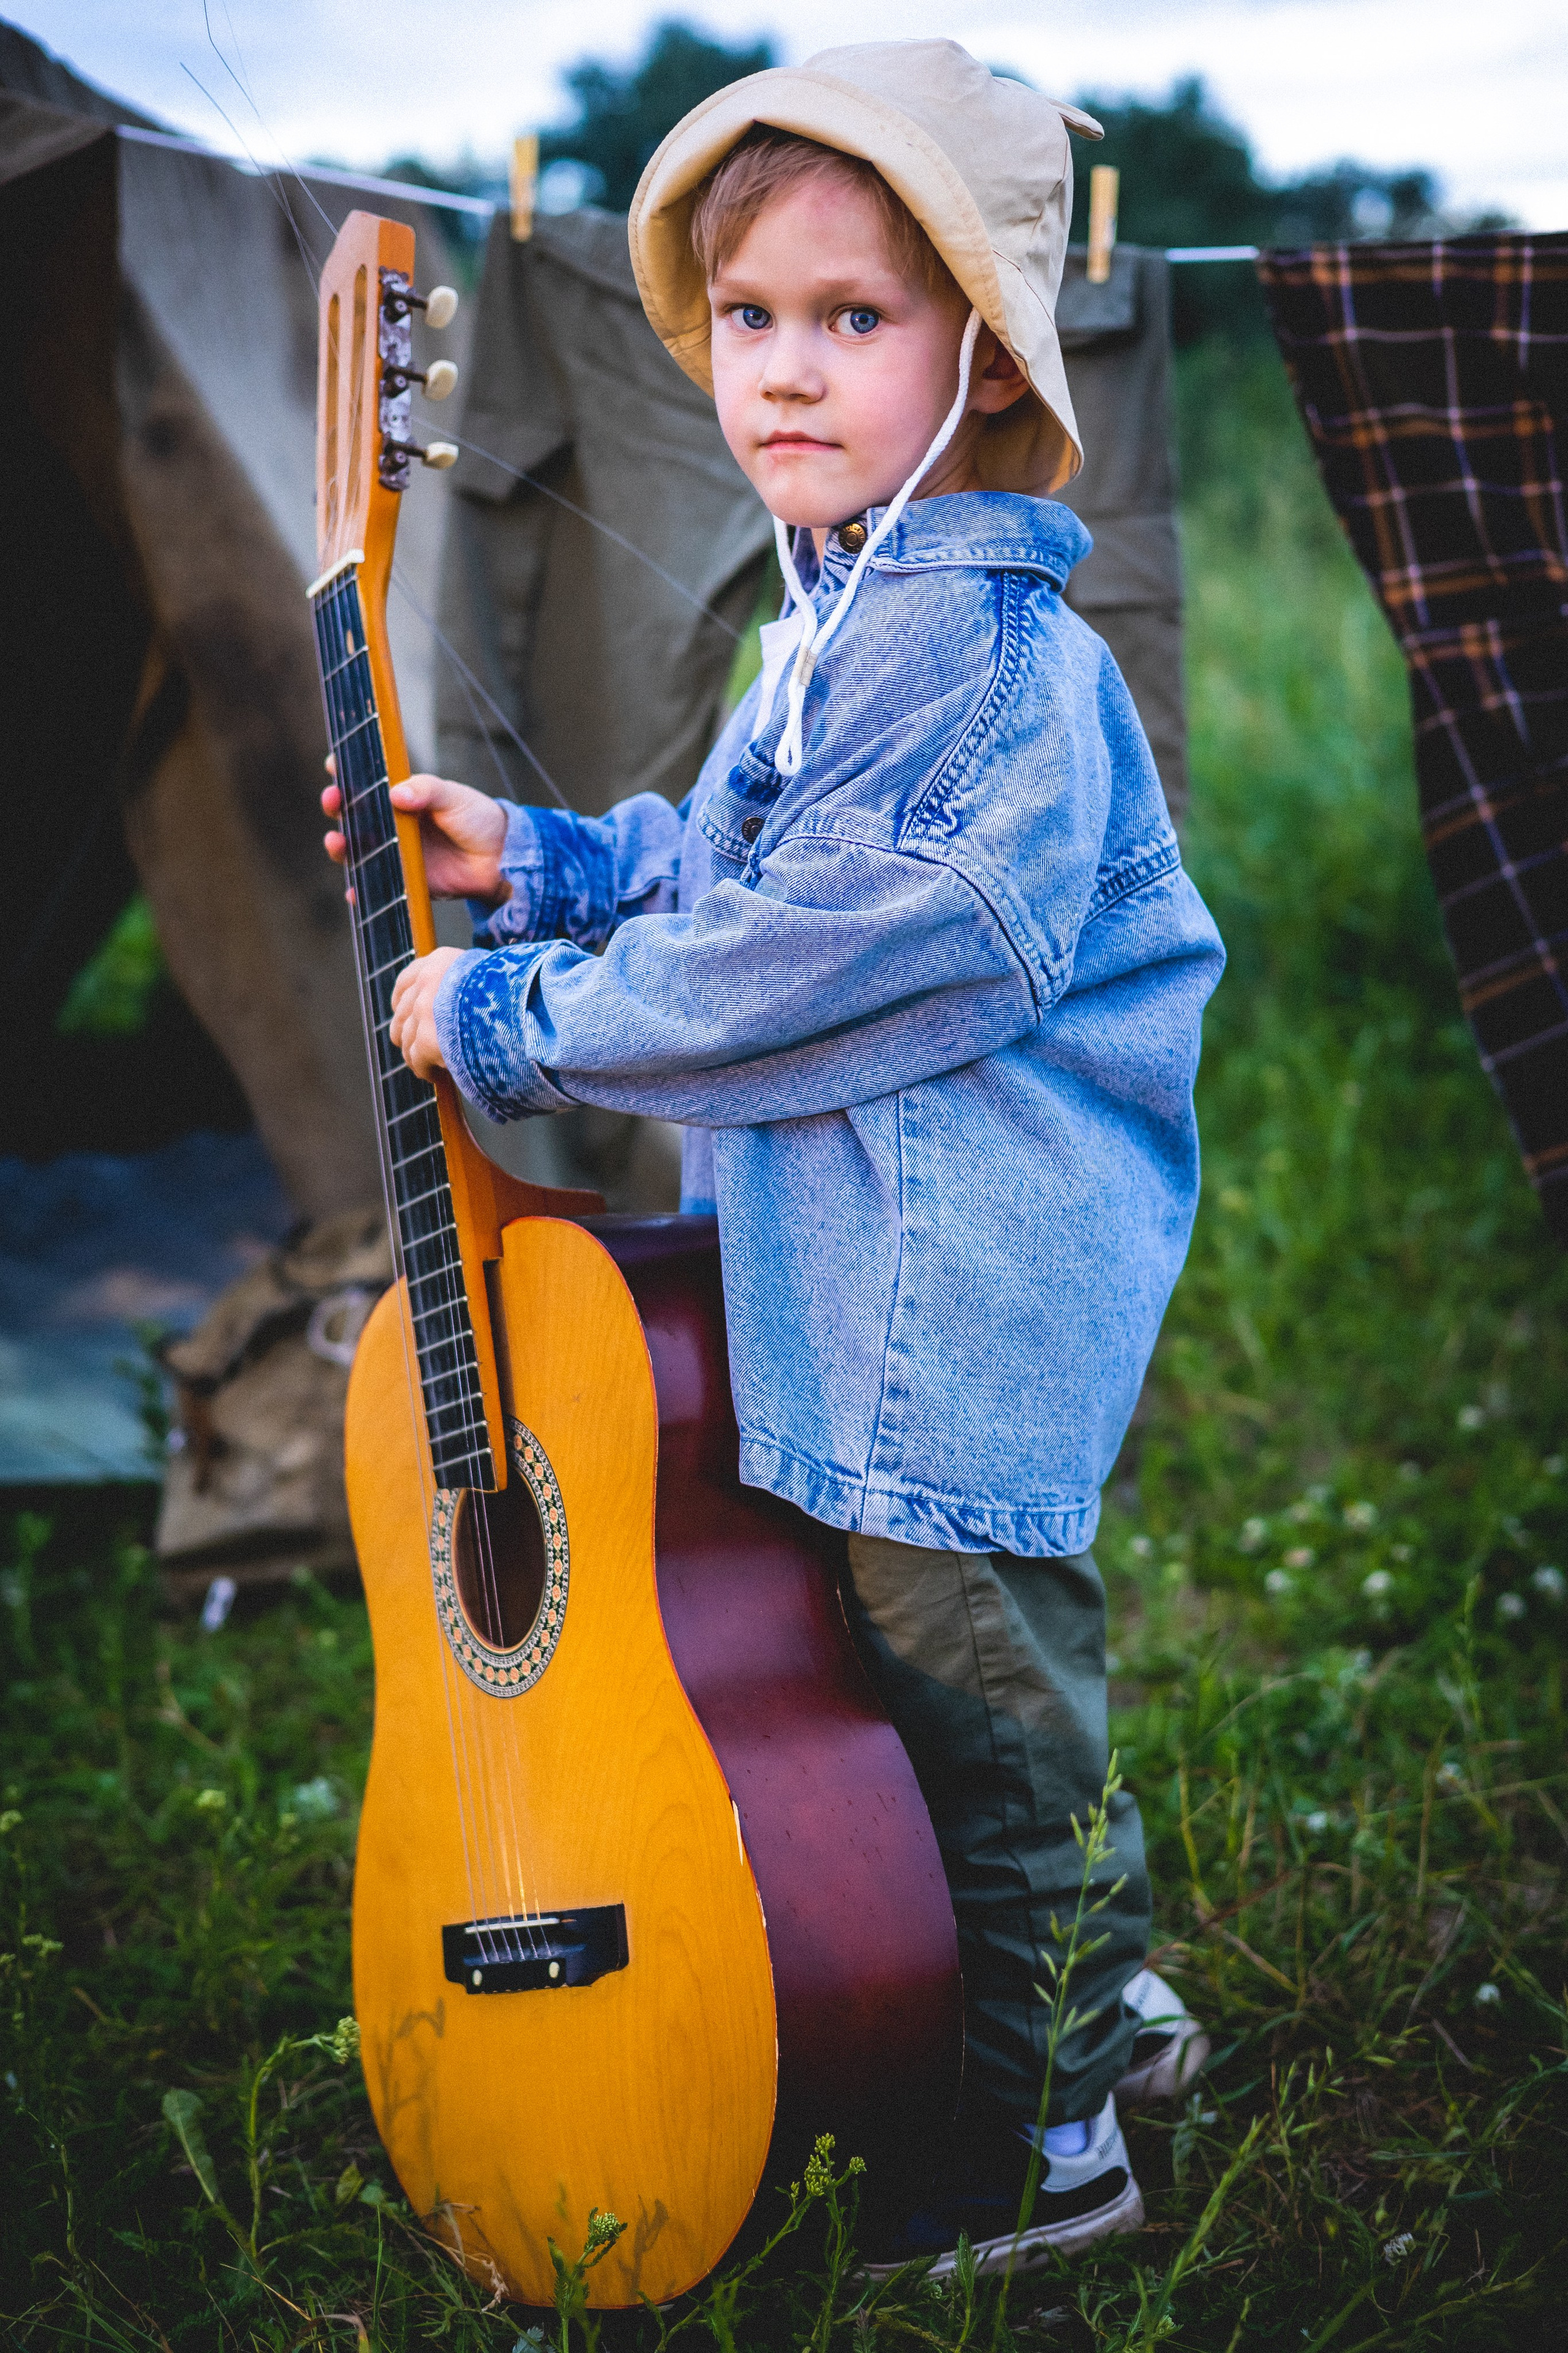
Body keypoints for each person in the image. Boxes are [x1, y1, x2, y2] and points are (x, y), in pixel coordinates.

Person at [324, 39, 1224, 2275]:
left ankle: (1060, 2139)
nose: (786, 375)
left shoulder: (994, 662)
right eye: (750, 322)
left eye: (857, 319)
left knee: (982, 1696)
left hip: (955, 1292)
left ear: (991, 359)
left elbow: (816, 956)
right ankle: (1100, 2004)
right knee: (892, 1672)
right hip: (829, 1274)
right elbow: (727, 868)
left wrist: (520, 1018)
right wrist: (533, 860)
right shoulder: (829, 620)